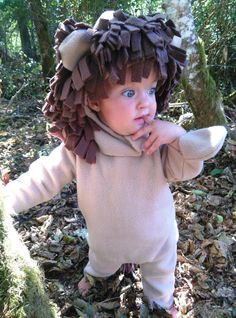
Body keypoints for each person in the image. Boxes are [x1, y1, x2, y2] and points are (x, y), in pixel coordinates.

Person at [3, 10, 227, 317]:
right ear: (94, 100)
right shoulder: (82, 145)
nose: (146, 102)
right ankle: (98, 274)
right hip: (105, 240)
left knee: (160, 277)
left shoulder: (155, 139)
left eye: (150, 89)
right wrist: (7, 200)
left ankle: (160, 303)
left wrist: (175, 135)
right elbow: (44, 176)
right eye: (129, 92)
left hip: (158, 242)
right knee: (102, 259)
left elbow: (188, 166)